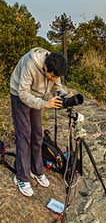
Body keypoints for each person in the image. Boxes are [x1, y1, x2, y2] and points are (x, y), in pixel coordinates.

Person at [8, 47, 70, 197]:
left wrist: (63, 95)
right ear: (45, 67)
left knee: (37, 134)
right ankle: (22, 176)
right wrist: (45, 104)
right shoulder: (31, 64)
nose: (54, 79)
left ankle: (37, 170)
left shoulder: (55, 65)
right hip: (20, 95)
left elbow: (58, 86)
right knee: (24, 134)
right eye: (52, 76)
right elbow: (23, 93)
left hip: (37, 97)